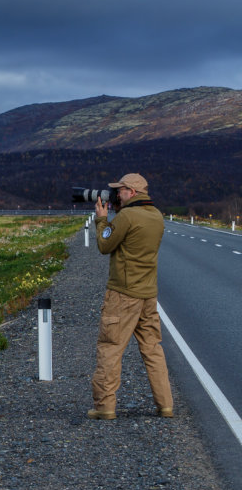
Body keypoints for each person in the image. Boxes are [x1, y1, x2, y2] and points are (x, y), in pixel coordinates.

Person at [88, 172, 173, 420]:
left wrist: (102, 220)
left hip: (123, 294)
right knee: (152, 349)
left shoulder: (127, 216)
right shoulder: (156, 216)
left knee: (110, 348)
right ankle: (165, 405)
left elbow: (105, 246)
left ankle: (104, 407)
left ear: (132, 192)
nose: (116, 194)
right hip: (148, 295)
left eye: (120, 190)